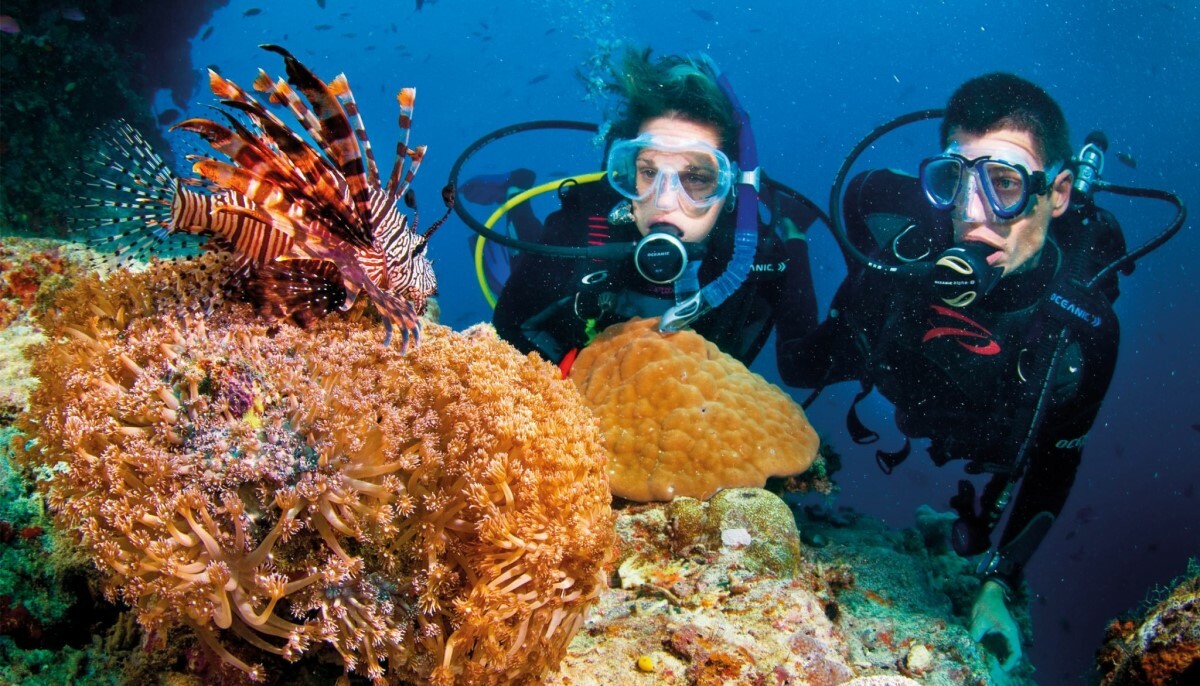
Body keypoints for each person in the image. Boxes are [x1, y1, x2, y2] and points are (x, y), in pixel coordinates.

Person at [779, 73, 1126, 670]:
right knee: (797, 365)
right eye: (954, 180)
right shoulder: (909, 235)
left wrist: (997, 582)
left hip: (983, 433)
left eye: (1006, 184)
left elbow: (1054, 466)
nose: (971, 213)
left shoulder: (1083, 332)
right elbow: (861, 195)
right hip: (892, 366)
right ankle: (787, 244)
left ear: (1059, 192)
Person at [489, 48, 820, 371]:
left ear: (729, 186)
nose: (663, 201)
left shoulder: (756, 259)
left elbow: (801, 367)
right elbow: (510, 324)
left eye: (696, 178)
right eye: (649, 172)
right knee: (523, 245)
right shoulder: (585, 226)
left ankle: (795, 230)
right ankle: (516, 190)